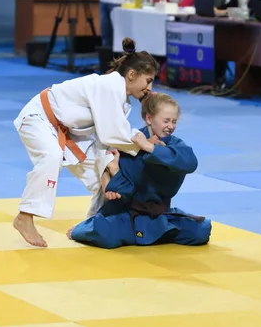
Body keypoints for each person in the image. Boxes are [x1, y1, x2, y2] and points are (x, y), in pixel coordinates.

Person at [13, 37, 160, 248]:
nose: (150, 87)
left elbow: (107, 136)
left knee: (104, 180)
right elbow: (112, 133)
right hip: (40, 118)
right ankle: (25, 216)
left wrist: (107, 162)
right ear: (131, 75)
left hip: (70, 134)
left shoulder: (122, 99)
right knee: (52, 156)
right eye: (148, 80)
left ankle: (93, 225)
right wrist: (145, 144)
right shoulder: (109, 85)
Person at [67, 93, 212, 249]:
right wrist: (115, 171)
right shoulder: (129, 144)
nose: (170, 126)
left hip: (159, 215)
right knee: (104, 232)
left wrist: (150, 148)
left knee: (202, 230)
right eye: (166, 121)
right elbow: (123, 191)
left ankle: (148, 234)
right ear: (149, 119)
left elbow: (190, 163)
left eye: (174, 121)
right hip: (128, 216)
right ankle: (85, 227)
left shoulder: (175, 145)